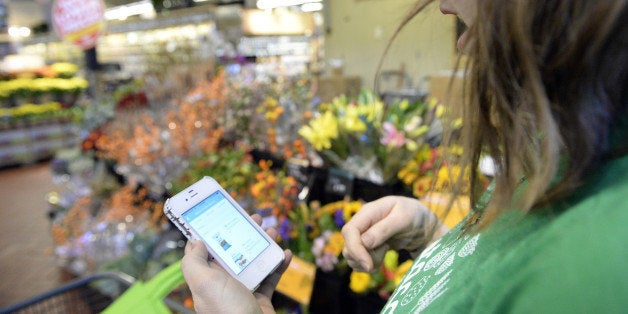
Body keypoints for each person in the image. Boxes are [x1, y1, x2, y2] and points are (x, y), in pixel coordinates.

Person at [181, 0, 628, 312]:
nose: (443, 6)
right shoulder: (565, 149)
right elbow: (495, 278)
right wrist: (437, 241)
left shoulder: (595, 267)